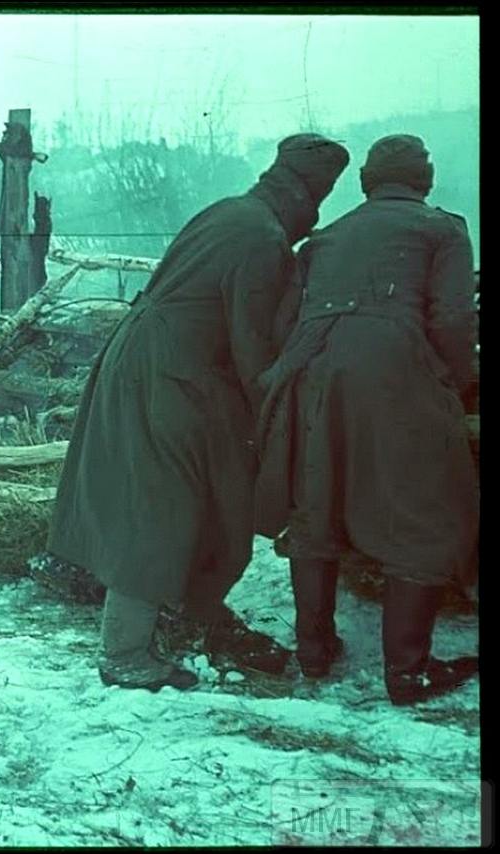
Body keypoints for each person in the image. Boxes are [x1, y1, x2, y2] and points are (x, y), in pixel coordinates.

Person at [47, 133, 351, 692]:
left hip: (150, 360)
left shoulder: (232, 211)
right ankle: (125, 654)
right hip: (172, 374)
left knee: (194, 495)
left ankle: (189, 609)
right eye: (320, 198)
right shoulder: (262, 238)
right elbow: (250, 344)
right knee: (161, 508)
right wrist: (280, 401)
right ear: (307, 194)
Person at [256, 134, 479, 705]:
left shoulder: (325, 238)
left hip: (313, 367)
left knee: (316, 499)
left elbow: (286, 320)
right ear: (423, 180)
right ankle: (407, 672)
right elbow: (453, 321)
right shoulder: (443, 230)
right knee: (421, 509)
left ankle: (313, 651)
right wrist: (457, 386)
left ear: (367, 182)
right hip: (394, 365)